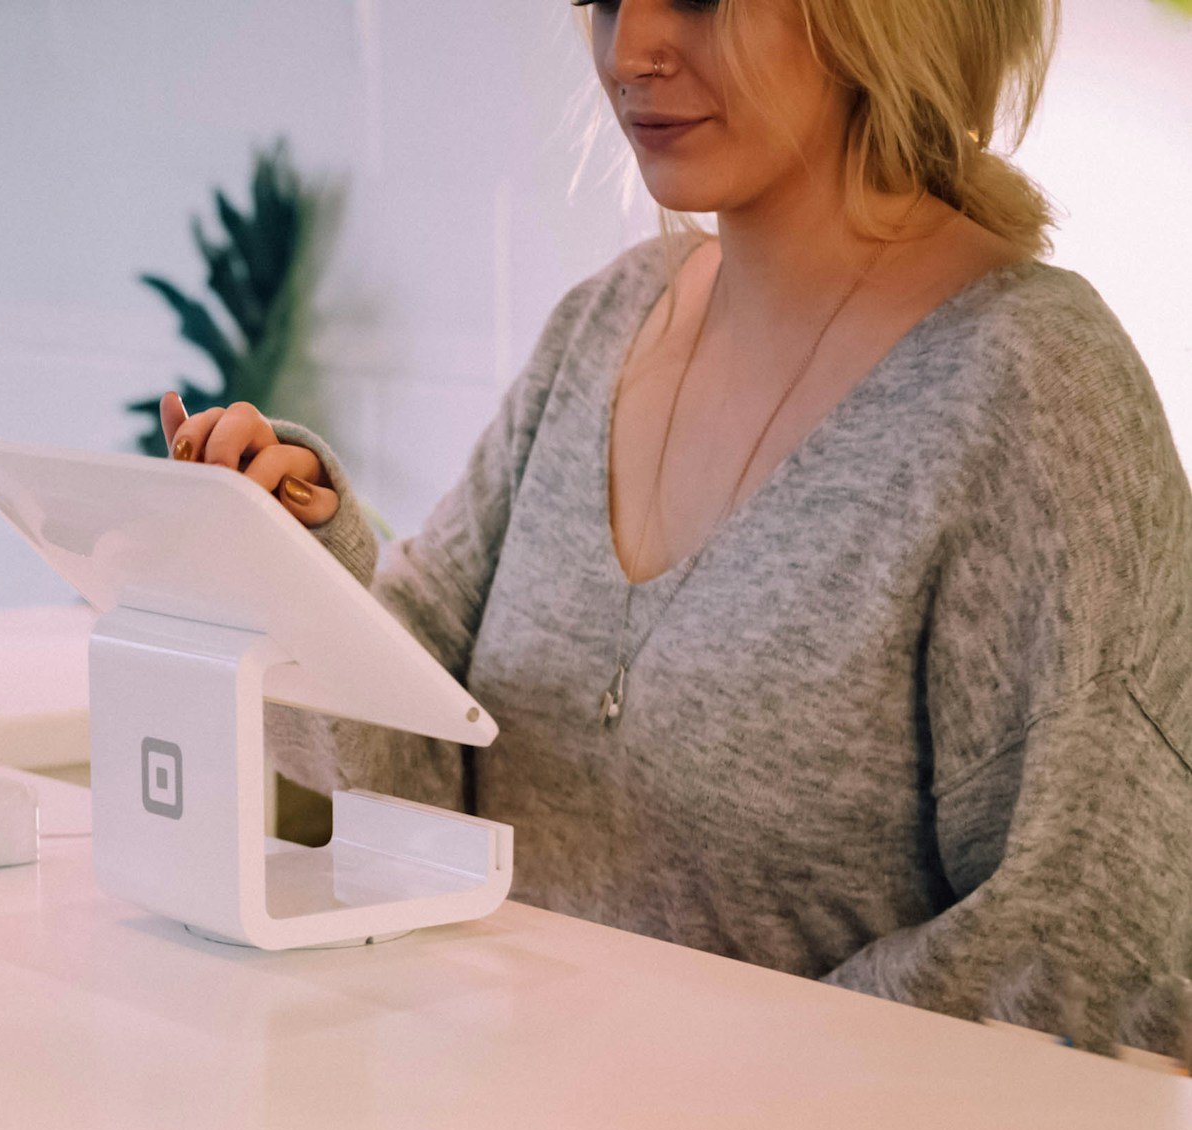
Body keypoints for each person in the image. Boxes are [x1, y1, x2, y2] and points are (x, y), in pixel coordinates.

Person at [164, 0, 1192, 1056]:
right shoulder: (604, 324)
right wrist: (284, 559)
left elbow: (1074, 946)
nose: (631, 52)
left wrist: (693, 1095)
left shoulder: (1029, 389)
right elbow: (409, 767)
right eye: (603, 1)